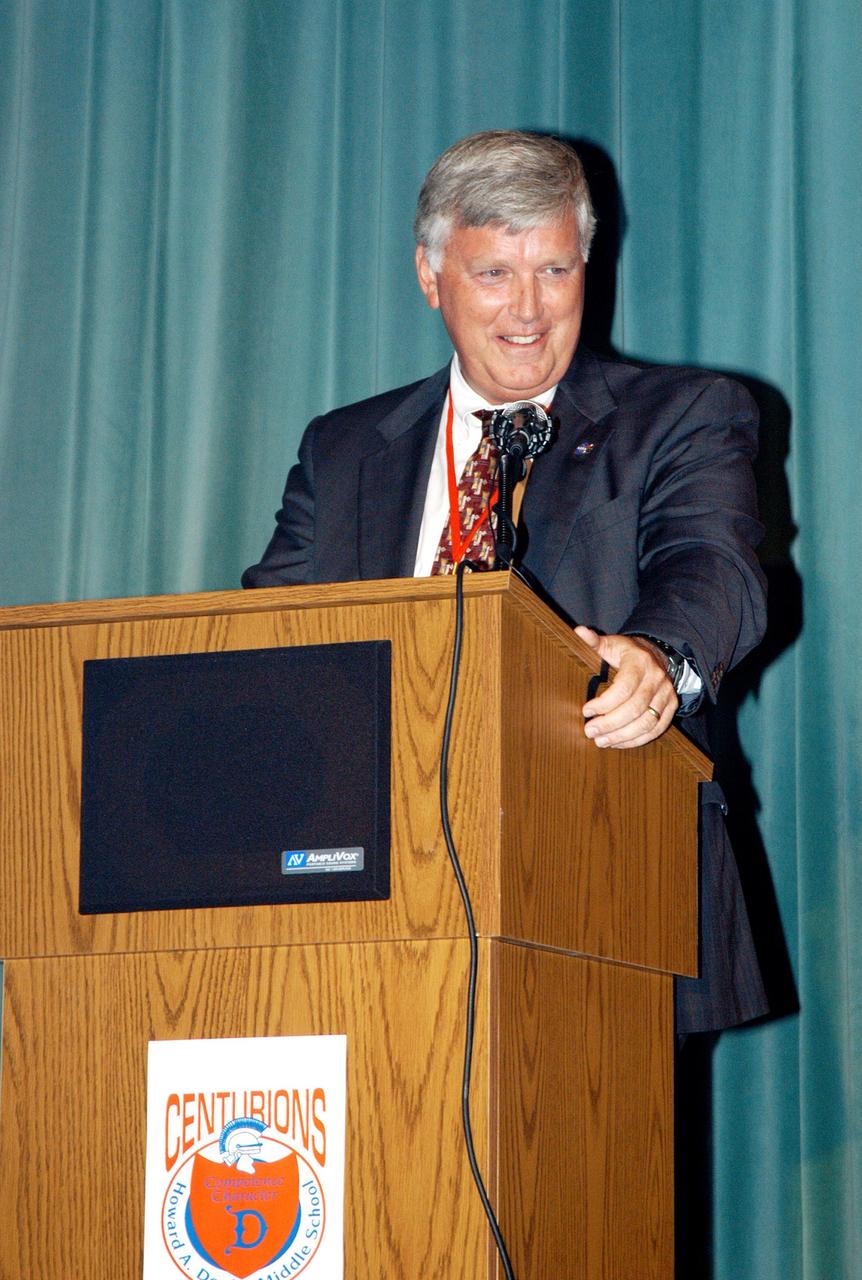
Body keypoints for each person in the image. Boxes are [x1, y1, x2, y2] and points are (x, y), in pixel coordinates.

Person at [243, 130, 768, 1035]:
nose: (529, 310)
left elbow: (712, 569)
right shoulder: (345, 449)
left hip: (596, 883)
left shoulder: (679, 416)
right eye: (494, 275)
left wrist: (655, 658)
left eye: (556, 271)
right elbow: (269, 635)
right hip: (359, 900)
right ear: (429, 273)